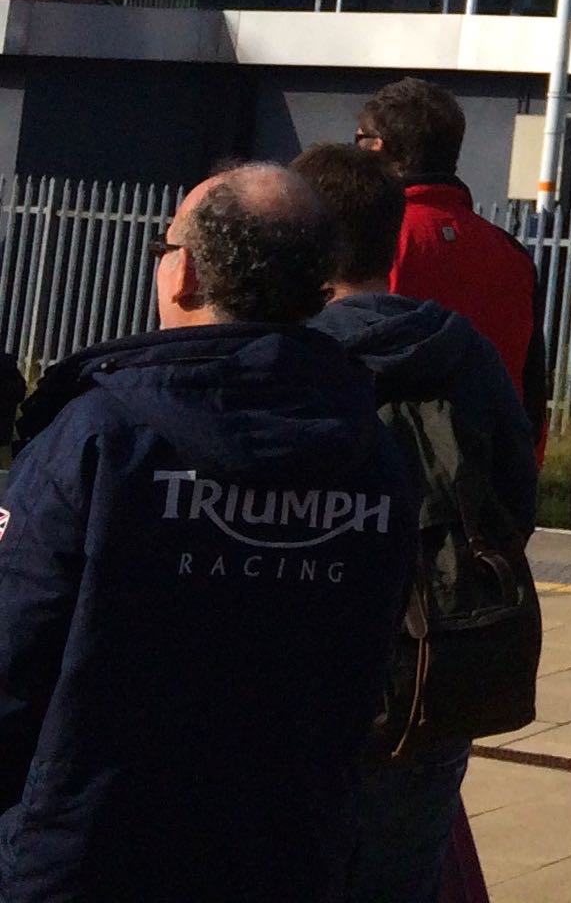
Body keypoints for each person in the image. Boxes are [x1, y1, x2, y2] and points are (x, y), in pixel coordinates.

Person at [0, 164, 418, 900]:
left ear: (186, 272)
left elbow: (14, 646)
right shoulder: (370, 448)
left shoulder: (101, 435)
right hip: (287, 849)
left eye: (163, 248)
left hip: (92, 849)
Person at [293, 143, 540, 903]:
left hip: (305, 674)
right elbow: (515, 502)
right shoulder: (462, 352)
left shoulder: (289, 358)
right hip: (436, 669)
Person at [354, 75, 544, 415]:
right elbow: (532, 381)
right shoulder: (512, 254)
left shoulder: (372, 238)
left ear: (376, 147)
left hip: (387, 441)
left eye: (358, 138)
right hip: (495, 441)